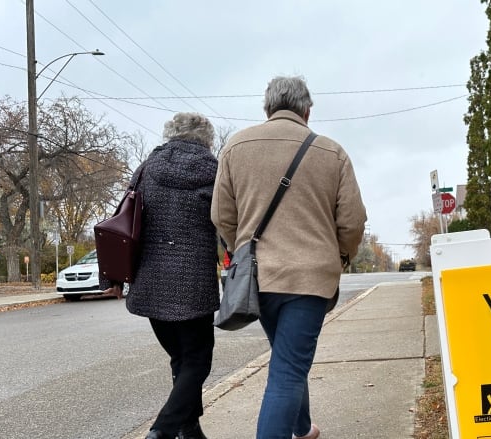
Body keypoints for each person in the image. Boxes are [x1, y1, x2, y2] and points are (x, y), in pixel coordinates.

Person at [211, 76, 367, 439]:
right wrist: (341, 256)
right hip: (310, 279)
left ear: (267, 108)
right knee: (288, 370)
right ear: (307, 110)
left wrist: (243, 249)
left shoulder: (235, 147)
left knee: (288, 359)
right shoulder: (332, 152)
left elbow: (221, 215)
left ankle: (301, 427)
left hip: (259, 277)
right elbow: (352, 220)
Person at [102, 112, 220, 439]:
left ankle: (190, 430)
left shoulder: (147, 168)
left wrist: (112, 277)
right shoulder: (215, 171)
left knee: (181, 360)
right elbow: (227, 220)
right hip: (194, 283)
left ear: (171, 134)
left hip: (151, 282)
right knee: (197, 362)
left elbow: (122, 221)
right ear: (206, 138)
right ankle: (162, 431)